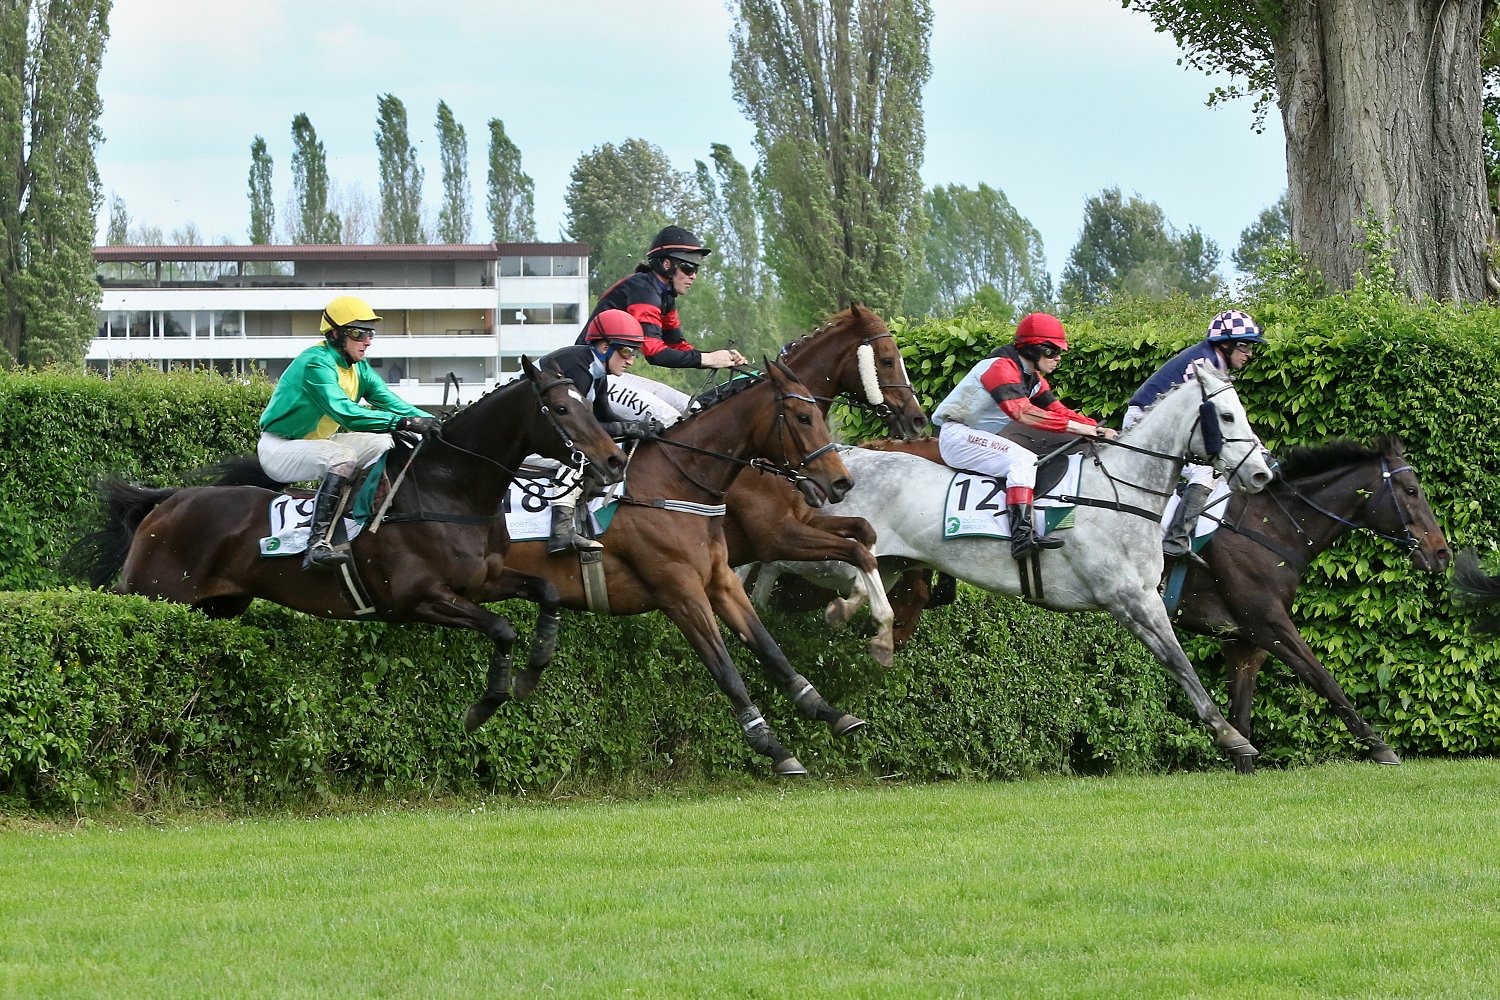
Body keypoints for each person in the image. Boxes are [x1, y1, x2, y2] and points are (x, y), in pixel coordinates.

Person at [257, 295, 439, 571]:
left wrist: (434, 422)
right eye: (358, 333)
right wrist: (404, 423)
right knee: (342, 457)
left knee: (386, 444)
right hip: (279, 448)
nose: (367, 341)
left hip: (319, 442)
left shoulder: (359, 367)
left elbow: (392, 403)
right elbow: (347, 414)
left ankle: (364, 514)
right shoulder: (316, 363)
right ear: (335, 334)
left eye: (370, 333)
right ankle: (316, 544)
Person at [931, 312, 1117, 561]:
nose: (1058, 358)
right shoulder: (1001, 367)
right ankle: (1021, 537)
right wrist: (1079, 429)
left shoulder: (1033, 379)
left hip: (974, 437)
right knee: (1024, 460)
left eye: (1060, 352)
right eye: (1052, 352)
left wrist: (1096, 428)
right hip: (958, 436)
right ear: (1033, 349)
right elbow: (1022, 412)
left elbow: (1058, 411)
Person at [1124, 309, 1266, 567]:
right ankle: (1175, 540)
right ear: (1225, 344)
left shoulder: (1212, 361)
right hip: (1145, 423)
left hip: (1160, 424)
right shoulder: (1205, 365)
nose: (1249, 354)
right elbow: (1210, 420)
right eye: (1244, 346)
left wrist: (1256, 448)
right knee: (1206, 472)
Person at [577, 225, 748, 425]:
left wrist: (721, 357)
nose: (693, 276)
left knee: (694, 409)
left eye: (696, 269)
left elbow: (677, 346)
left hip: (610, 377)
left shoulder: (665, 296)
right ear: (667, 264)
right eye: (688, 268)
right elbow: (655, 353)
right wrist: (708, 359)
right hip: (589, 376)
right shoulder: (644, 290)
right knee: (666, 418)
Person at [541, 309, 662, 554]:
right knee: (584, 455)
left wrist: (640, 428)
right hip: (523, 433)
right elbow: (585, 429)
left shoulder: (596, 371)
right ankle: (561, 532)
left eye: (635, 352)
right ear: (605, 347)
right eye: (626, 351)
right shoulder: (577, 367)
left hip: (544, 428)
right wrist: (632, 428)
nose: (631, 360)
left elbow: (606, 417)